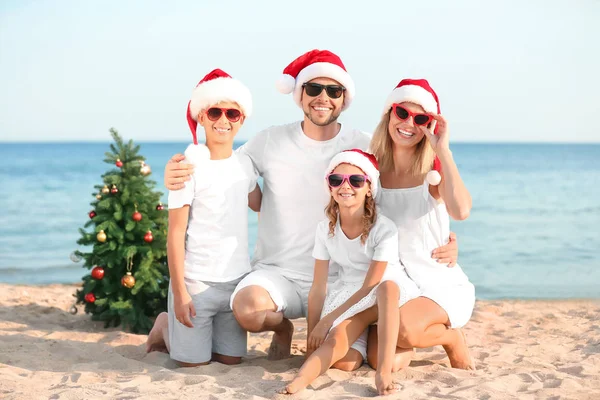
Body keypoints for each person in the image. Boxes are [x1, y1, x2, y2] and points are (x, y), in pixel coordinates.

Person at [162, 50, 459, 365]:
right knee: (248, 310)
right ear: (299, 94)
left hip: (341, 279)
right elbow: (223, 166)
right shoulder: (269, 141)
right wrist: (174, 171)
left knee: (347, 365)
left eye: (334, 91)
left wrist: (444, 237)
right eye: (314, 88)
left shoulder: (362, 144)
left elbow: (401, 192)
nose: (323, 97)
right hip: (277, 274)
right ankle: (283, 328)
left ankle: (393, 343)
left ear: (344, 99)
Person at [279, 149, 419, 396]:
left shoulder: (383, 229)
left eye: (355, 180)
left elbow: (371, 286)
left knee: (385, 298)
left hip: (384, 292)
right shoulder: (325, 229)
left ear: (368, 188)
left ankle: (384, 371)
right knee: (345, 361)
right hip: (350, 292)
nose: (346, 186)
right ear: (330, 187)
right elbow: (319, 287)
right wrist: (314, 334)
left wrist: (327, 320)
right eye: (337, 180)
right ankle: (299, 382)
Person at [145, 68, 261, 367]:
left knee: (229, 361)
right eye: (214, 112)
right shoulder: (188, 165)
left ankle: (188, 333)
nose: (223, 120)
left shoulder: (245, 163)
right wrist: (180, 291)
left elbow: (260, 204)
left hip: (235, 283)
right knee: (193, 366)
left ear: (242, 119)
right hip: (195, 284)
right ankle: (165, 326)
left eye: (232, 114)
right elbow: (174, 233)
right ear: (201, 116)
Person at [366, 78, 476, 370]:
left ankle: (452, 339)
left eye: (421, 118)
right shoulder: (370, 168)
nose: (409, 124)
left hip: (435, 281)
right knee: (381, 360)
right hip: (394, 284)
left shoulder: (433, 174)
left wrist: (443, 151)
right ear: (390, 113)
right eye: (402, 113)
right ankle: (415, 334)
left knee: (404, 330)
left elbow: (461, 210)